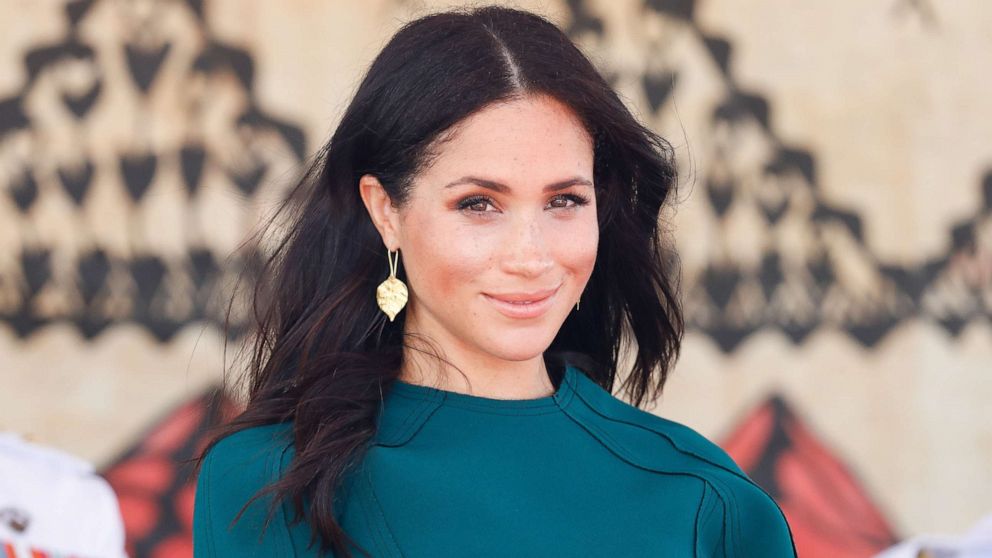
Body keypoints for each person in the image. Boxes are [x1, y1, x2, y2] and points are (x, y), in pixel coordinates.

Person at [192, 5, 797, 557]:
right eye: (479, 204)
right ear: (386, 212)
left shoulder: (707, 503)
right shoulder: (264, 484)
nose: (530, 257)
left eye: (564, 201)